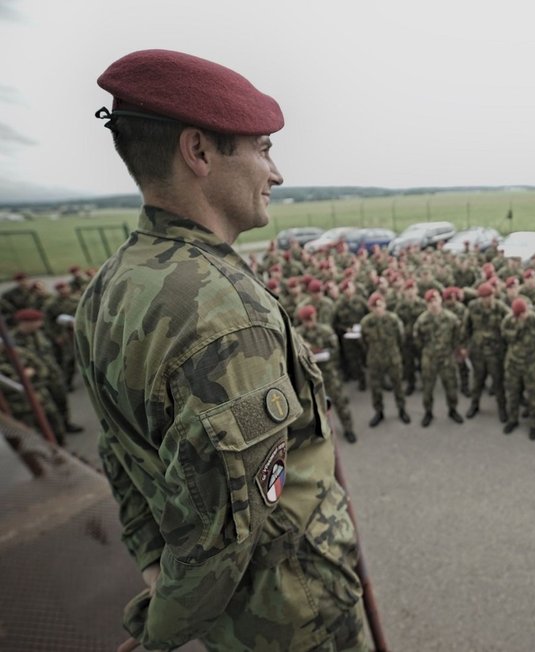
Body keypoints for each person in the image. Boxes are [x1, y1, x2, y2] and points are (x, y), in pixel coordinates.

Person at [75, 50, 366, 651]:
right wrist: (157, 635)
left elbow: (118, 447)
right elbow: (222, 540)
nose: (276, 172)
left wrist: (153, 563)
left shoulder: (108, 288)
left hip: (238, 621)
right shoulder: (226, 315)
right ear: (199, 152)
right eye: (262, 147)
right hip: (293, 620)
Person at [295, 305, 357, 443]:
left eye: (311, 319)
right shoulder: (297, 335)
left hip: (328, 372)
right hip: (310, 376)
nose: (309, 323)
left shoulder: (325, 331)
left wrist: (323, 354)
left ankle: (349, 428)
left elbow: (335, 351)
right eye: (306, 320)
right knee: (315, 406)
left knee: (340, 401)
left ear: (315, 316)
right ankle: (322, 432)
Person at [500, 298, 535, 440]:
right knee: (513, 392)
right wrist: (517, 329)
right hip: (513, 362)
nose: (521, 317)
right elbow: (504, 335)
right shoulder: (508, 321)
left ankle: (534, 424)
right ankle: (513, 420)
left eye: (523, 314)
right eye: (518, 315)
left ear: (527, 311)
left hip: (531, 363)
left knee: (533, 394)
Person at [414, 289, 465, 427]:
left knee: (451, 386)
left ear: (441, 300)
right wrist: (427, 350)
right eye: (430, 302)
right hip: (429, 358)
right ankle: (428, 412)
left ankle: (453, 410)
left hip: (446, 358)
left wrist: (454, 351)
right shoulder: (422, 320)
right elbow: (417, 339)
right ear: (426, 304)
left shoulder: (451, 318)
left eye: (435, 300)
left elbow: (457, 337)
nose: (433, 304)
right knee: (428, 389)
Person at [360, 292, 411, 426]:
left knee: (398, 385)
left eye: (380, 305)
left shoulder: (393, 320)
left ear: (385, 305)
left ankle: (402, 410)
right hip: (374, 359)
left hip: (392, 358)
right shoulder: (366, 322)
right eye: (374, 306)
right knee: (376, 388)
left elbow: (401, 339)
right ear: (370, 308)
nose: (377, 309)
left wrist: (394, 351)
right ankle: (379, 412)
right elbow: (363, 342)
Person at [464, 282, 510, 422]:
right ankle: (474, 405)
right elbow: (467, 327)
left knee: (498, 383)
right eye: (483, 297)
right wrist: (465, 346)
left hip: (495, 352)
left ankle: (502, 409)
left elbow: (509, 323)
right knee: (477, 381)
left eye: (489, 296)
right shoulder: (473, 307)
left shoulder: (501, 308)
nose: (486, 300)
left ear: (493, 295)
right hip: (477, 351)